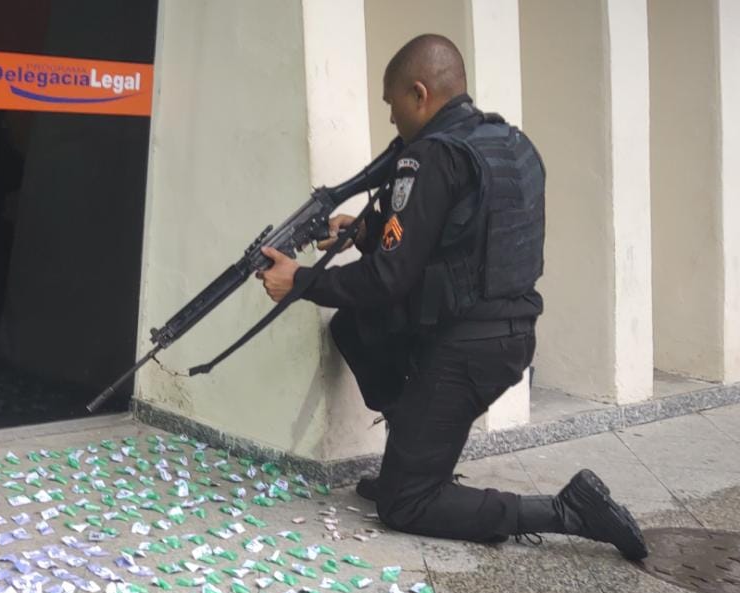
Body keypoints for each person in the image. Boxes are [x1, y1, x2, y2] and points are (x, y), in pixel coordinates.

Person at [258, 34, 647, 560]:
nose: (391, 118)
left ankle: (568, 510)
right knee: (355, 327)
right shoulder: (506, 143)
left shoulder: (431, 157)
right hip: (503, 334)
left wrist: (300, 282)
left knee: (405, 505)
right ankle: (414, 448)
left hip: (464, 350)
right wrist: (368, 231)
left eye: (392, 104)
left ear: (419, 94)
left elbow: (387, 280)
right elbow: (458, 246)